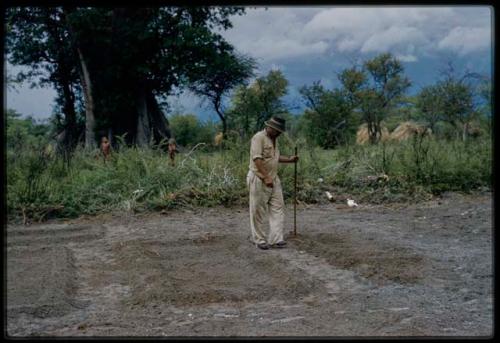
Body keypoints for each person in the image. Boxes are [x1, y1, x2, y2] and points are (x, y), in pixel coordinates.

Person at [247, 116, 298, 250]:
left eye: (280, 131)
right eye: (277, 130)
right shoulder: (258, 138)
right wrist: (266, 177)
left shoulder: (274, 139)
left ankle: (276, 238)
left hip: (273, 178)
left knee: (278, 207)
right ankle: (259, 240)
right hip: (259, 178)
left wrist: (290, 159)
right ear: (269, 127)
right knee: (258, 210)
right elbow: (257, 159)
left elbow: (274, 157)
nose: (279, 133)